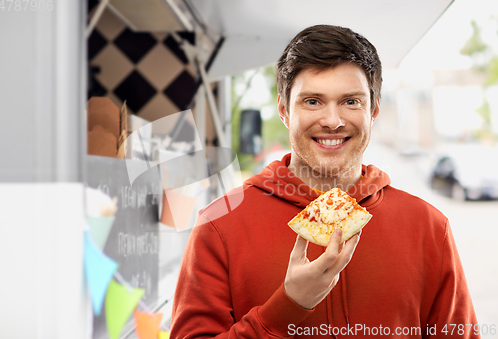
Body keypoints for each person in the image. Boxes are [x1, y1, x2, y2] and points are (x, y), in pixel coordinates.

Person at [170, 25, 479, 338]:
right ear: (284, 111)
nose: (333, 121)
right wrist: (288, 306)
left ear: (373, 110)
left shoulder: (429, 226)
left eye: (351, 101)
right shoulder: (219, 224)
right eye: (313, 101)